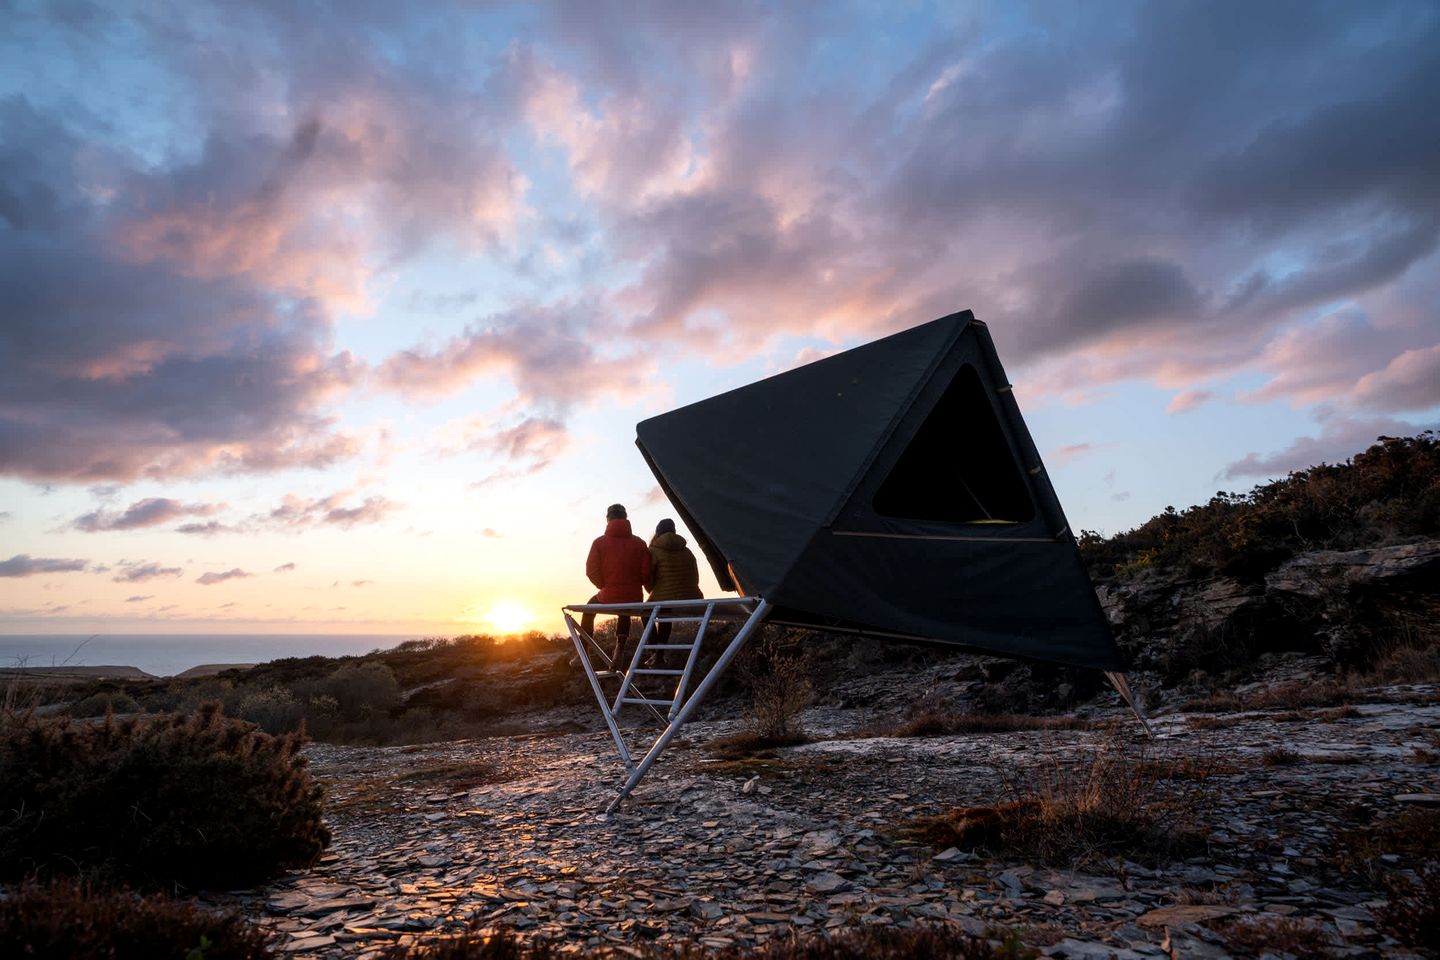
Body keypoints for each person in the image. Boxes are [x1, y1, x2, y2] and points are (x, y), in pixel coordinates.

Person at [582, 503, 651, 667]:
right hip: (634, 595)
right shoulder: (640, 543)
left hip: (608, 594)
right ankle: (619, 650)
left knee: (588, 609)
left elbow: (591, 570)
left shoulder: (599, 543)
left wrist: (604, 586)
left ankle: (583, 653)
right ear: (626, 518)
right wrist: (635, 584)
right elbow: (647, 572)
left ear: (608, 519)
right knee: (625, 609)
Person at [646, 518, 703, 664]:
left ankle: (655, 652)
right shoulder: (687, 551)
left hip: (667, 599)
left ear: (658, 534)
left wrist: (651, 590)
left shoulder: (653, 551)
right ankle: (658, 655)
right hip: (692, 598)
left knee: (646, 613)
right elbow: (695, 576)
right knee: (665, 611)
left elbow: (648, 579)